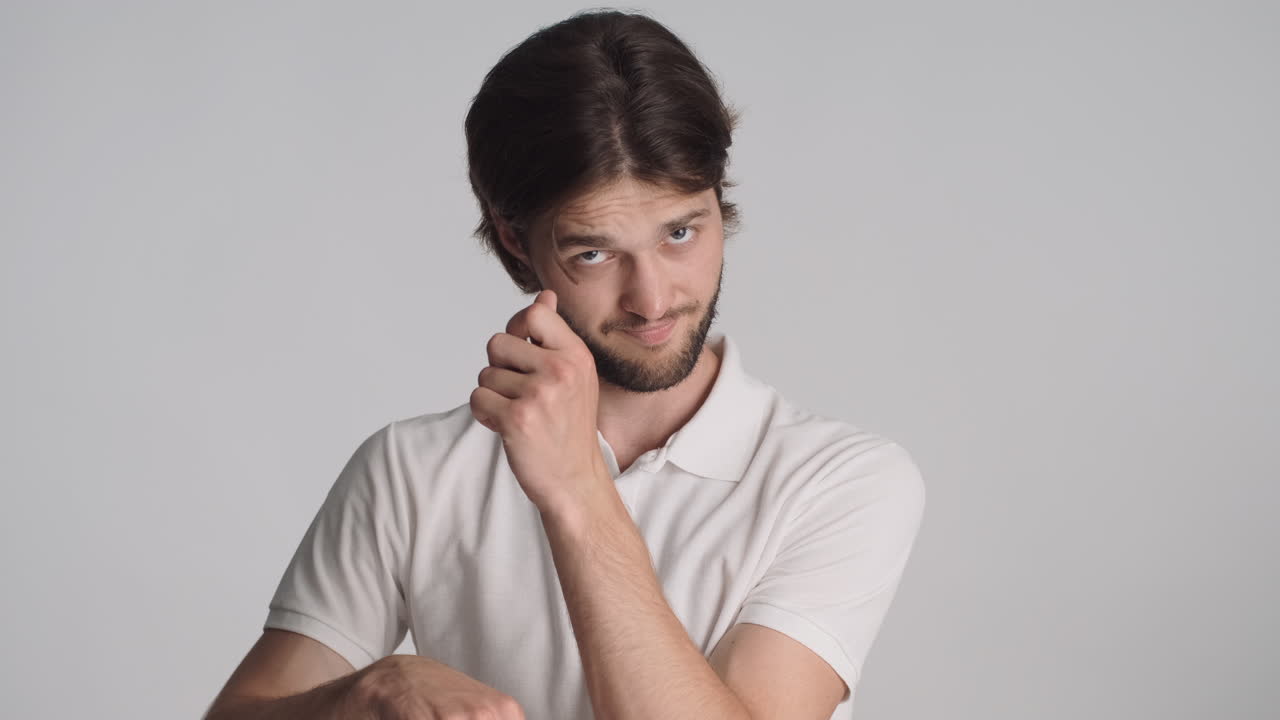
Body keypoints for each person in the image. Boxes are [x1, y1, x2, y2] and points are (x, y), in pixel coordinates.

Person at [204, 9, 926, 720]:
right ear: (518, 244)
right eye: (595, 252)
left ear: (718, 202)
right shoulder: (412, 469)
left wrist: (577, 491)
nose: (652, 299)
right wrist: (363, 694)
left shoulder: (841, 481)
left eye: (680, 232)